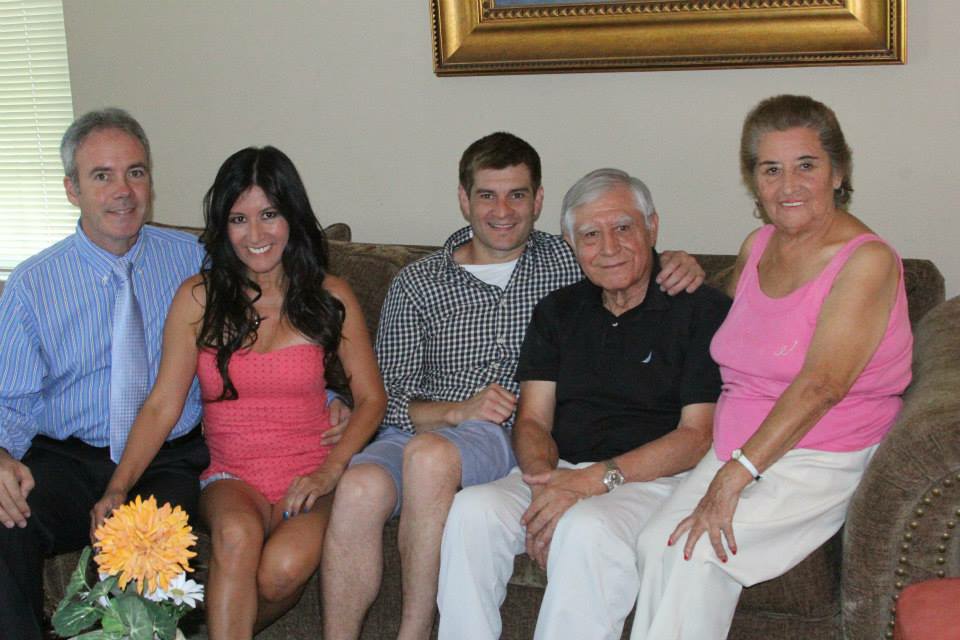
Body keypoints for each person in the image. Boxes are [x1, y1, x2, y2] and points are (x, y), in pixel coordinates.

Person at [321, 133, 706, 640]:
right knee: (358, 487)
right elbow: (386, 397)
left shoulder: (567, 259)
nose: (502, 211)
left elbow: (624, 254)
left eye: (517, 195)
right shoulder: (417, 282)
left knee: (430, 458)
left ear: (538, 200)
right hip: (424, 426)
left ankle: (414, 631)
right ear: (464, 199)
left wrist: (675, 260)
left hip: (497, 436)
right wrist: (455, 411)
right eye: (487, 195)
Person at [630, 95, 913, 640]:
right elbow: (732, 324)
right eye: (771, 169)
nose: (788, 186)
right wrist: (691, 278)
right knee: (654, 545)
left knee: (695, 556)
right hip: (740, 442)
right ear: (754, 182)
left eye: (806, 165)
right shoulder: (759, 245)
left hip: (820, 452)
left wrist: (733, 476)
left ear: (838, 172)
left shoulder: (867, 261)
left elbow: (822, 385)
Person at [89, 146, 385, 640]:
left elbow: (372, 398)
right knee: (235, 534)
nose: (256, 235)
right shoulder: (198, 298)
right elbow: (162, 404)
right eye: (239, 219)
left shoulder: (330, 295)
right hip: (232, 474)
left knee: (283, 569)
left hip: (311, 471)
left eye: (269, 215)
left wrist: (330, 471)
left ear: (291, 216)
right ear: (223, 227)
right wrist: (118, 488)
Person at [437, 168, 730, 640]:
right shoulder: (558, 311)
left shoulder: (701, 309)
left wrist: (591, 482)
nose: (609, 247)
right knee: (472, 510)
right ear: (572, 244)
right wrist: (543, 485)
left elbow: (697, 436)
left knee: (587, 528)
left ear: (652, 227)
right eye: (591, 234)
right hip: (563, 470)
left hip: (654, 480)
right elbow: (533, 419)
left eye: (623, 227)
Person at [0, 109, 210, 640]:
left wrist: (326, 395)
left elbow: (264, 337)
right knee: (3, 515)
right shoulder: (32, 285)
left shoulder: (196, 262)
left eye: (135, 172)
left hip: (165, 457)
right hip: (67, 459)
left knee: (144, 554)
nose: (123, 191)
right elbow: (11, 400)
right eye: (102, 176)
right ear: (72, 189)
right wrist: (0, 455)